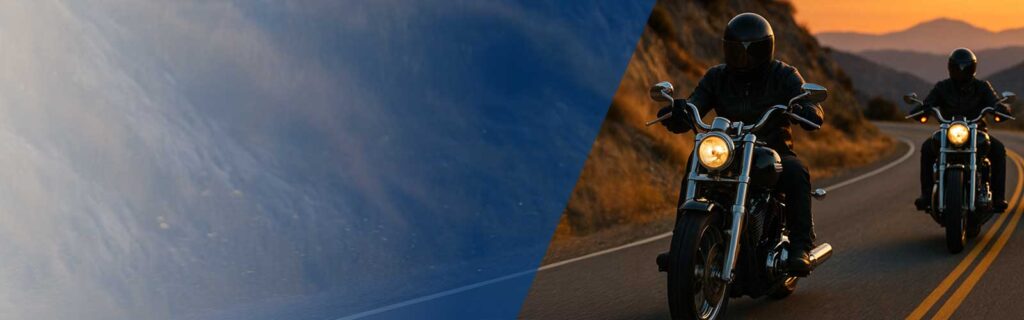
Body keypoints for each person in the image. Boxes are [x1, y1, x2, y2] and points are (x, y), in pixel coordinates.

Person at [656, 13, 824, 275]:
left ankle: (800, 246)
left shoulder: (783, 74)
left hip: (773, 149)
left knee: (795, 171)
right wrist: (680, 112)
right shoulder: (716, 77)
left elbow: (809, 103)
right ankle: (683, 242)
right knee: (695, 160)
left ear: (766, 47)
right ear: (726, 48)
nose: (743, 57)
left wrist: (808, 109)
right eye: (736, 50)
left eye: (751, 49)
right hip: (729, 148)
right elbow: (695, 103)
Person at [913, 48, 1011, 213]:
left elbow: (994, 101)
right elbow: (928, 102)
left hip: (977, 131)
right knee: (927, 148)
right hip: (948, 133)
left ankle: (998, 198)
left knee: (998, 149)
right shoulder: (942, 87)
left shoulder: (982, 87)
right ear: (950, 67)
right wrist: (920, 110)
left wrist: (1001, 109)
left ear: (972, 68)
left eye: (965, 67)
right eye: (957, 67)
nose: (961, 71)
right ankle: (926, 195)